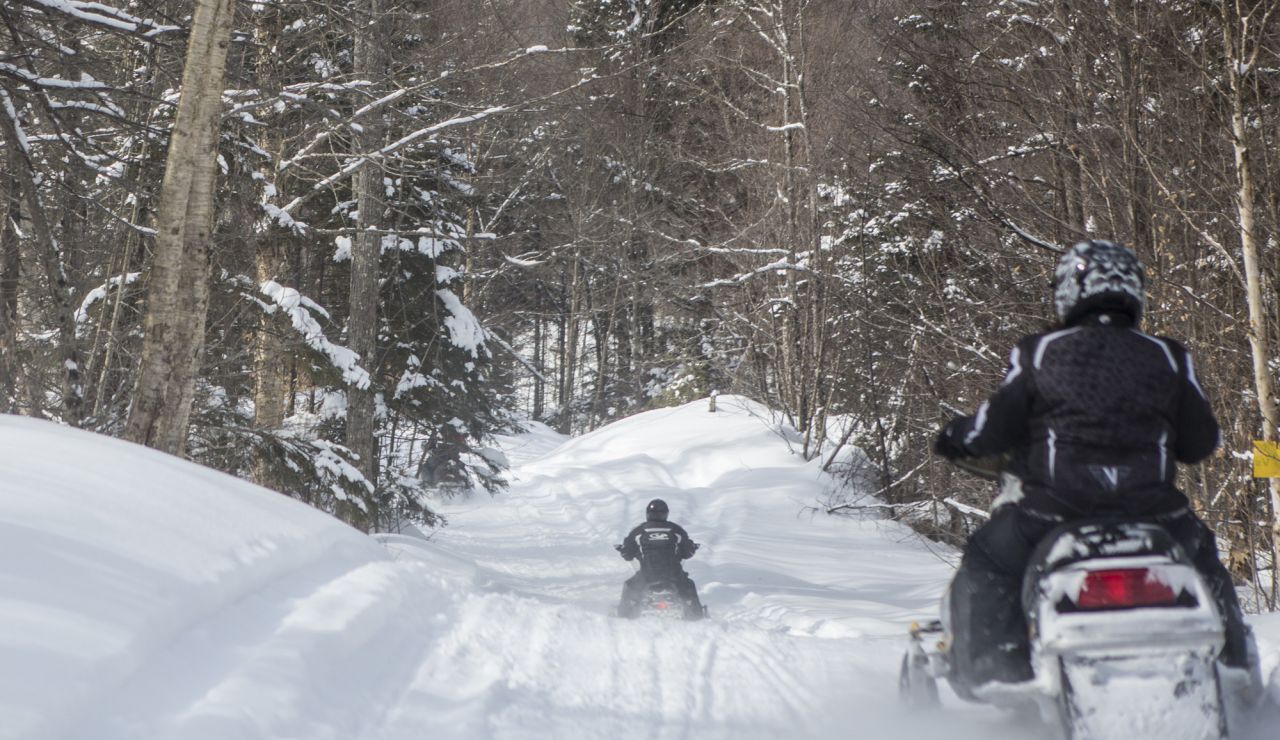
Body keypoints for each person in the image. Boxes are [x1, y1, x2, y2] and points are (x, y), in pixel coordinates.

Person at [932, 239, 1253, 691]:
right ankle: (1234, 672)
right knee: (1205, 561)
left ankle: (995, 679)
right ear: (1134, 292)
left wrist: (953, 438)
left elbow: (991, 430)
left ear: (1068, 290)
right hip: (1156, 517)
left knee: (987, 558)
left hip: (1052, 516)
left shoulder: (1040, 350)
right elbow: (1202, 442)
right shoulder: (1168, 355)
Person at [617, 498, 705, 620]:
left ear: (647, 513)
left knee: (629, 586)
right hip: (674, 576)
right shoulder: (676, 530)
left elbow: (627, 554)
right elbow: (687, 552)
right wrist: (692, 549)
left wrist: (623, 550)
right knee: (689, 585)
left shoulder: (639, 531)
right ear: (666, 513)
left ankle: (622, 618)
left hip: (646, 576)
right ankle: (697, 616)